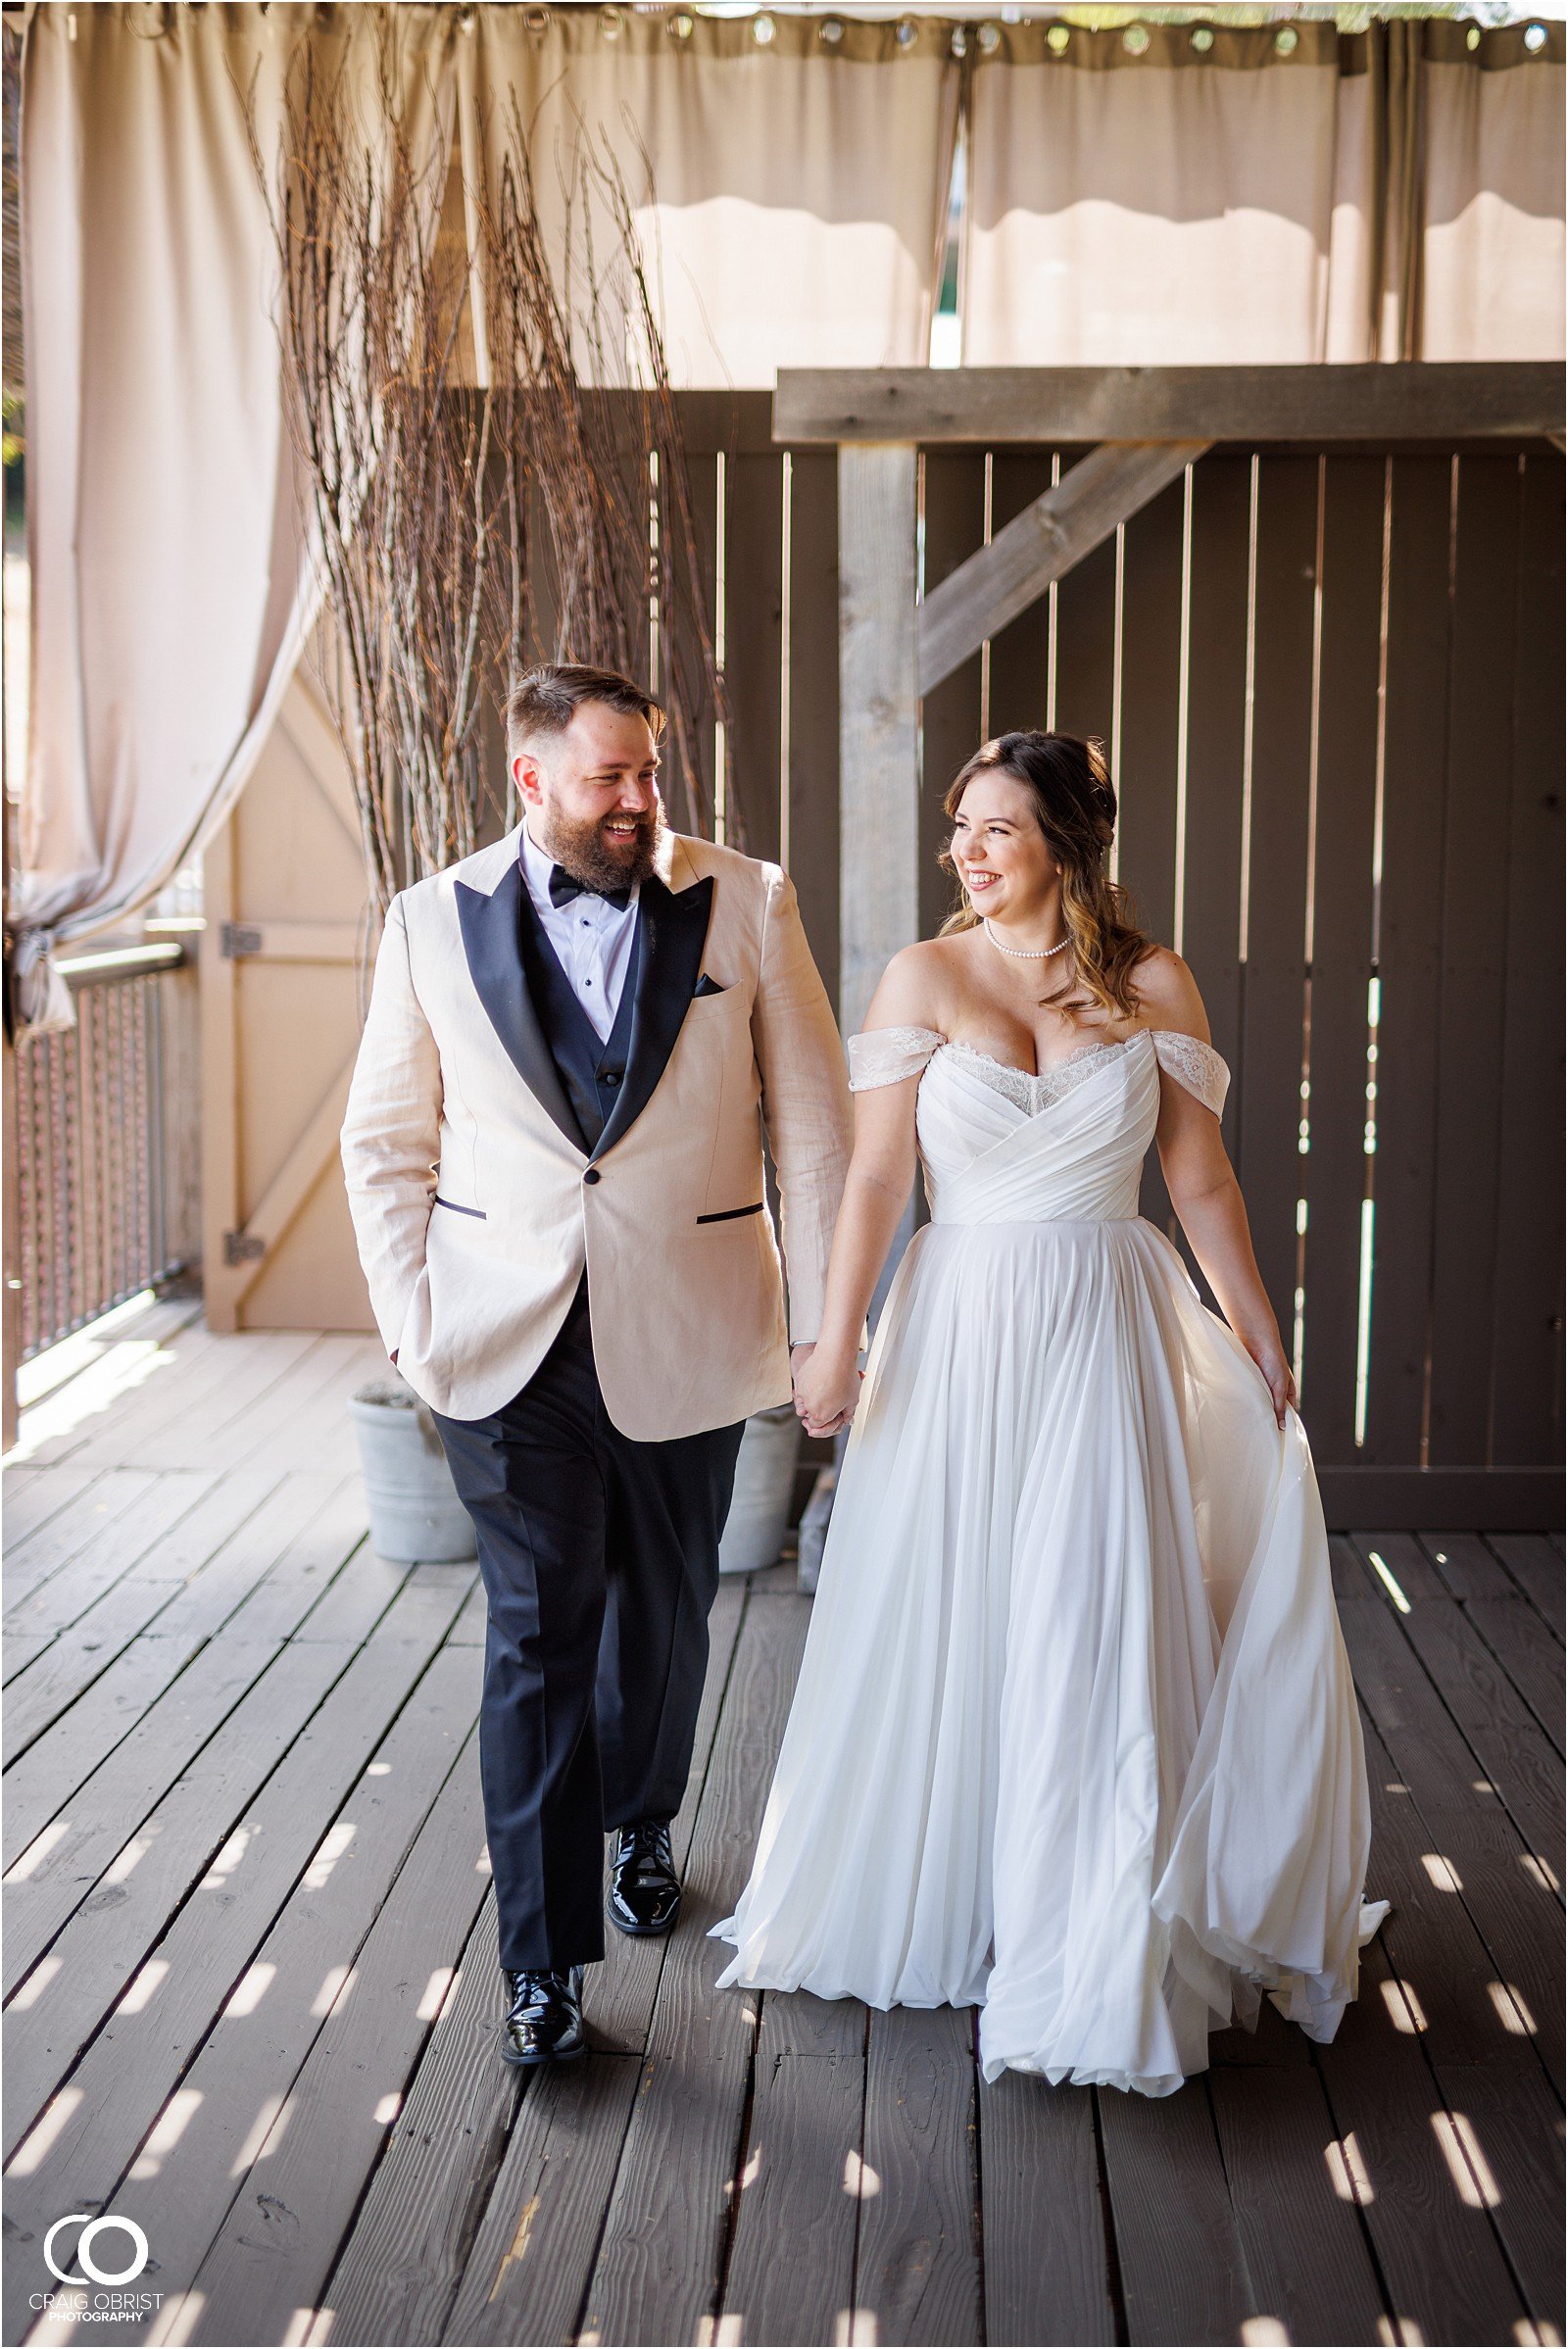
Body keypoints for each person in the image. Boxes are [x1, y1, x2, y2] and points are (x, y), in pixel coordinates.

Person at [712, 730, 1389, 2097]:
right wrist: (833, 1336)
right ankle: (962, 1881)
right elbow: (876, 1180)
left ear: (1069, 845)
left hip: (1104, 1323)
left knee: (1094, 1610)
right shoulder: (924, 974)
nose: (966, 848)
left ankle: (1095, 1915)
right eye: (960, 824)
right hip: (960, 1325)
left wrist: (1260, 1328)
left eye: (997, 827)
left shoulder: (1153, 985)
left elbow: (1199, 1182)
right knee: (958, 1599)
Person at [341, 663, 852, 2070]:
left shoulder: (747, 898)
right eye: (611, 776)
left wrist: (823, 1326)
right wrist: (409, 1316)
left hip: (692, 1324)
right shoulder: (429, 921)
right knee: (536, 1636)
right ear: (532, 780)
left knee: (667, 1613)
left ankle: (644, 1814)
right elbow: (385, 1141)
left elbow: (812, 1131)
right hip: (502, 1345)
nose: (641, 800)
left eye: (651, 773)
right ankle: (544, 1967)